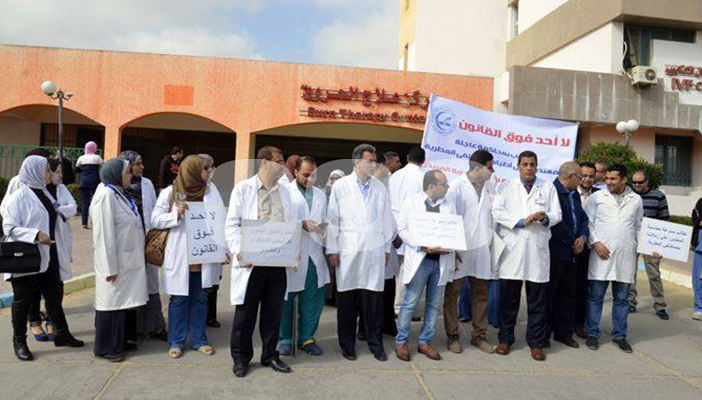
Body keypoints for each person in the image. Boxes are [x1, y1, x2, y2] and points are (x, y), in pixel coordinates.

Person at [3, 156, 84, 361]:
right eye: (47, 170)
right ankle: (19, 342)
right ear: (35, 172)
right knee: (22, 302)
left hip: (49, 254)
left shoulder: (46, 193)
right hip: (27, 257)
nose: (50, 173)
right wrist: (35, 235)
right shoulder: (18, 197)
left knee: (54, 297)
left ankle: (61, 334)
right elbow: (9, 227)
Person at [225, 146, 294, 378]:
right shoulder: (243, 189)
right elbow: (232, 224)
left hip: (277, 261)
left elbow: (290, 224)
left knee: (273, 312)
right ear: (264, 162)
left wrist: (292, 251)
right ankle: (241, 358)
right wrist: (239, 251)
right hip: (251, 262)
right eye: (279, 161)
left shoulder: (285, 191)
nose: (283, 165)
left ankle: (270, 355)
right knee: (245, 314)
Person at [326, 143, 394, 362]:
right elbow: (333, 219)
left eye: (375, 161)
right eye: (369, 161)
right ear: (356, 161)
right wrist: (332, 249)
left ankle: (375, 344)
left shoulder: (380, 187)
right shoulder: (341, 186)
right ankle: (347, 346)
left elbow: (386, 219)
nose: (373, 165)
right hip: (348, 250)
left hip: (374, 251)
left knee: (373, 301)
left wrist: (386, 248)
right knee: (347, 302)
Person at [492, 151, 562, 361]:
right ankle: (505, 340)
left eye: (532, 164)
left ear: (537, 166)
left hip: (537, 250)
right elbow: (497, 212)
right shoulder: (505, 186)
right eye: (525, 164)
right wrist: (523, 221)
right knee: (509, 301)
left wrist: (544, 217)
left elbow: (557, 214)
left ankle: (536, 343)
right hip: (513, 250)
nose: (529, 168)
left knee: (537, 302)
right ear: (518, 166)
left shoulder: (547, 186)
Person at [152, 155, 222, 359]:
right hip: (180, 254)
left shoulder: (211, 191)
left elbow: (220, 220)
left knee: (200, 298)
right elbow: (154, 219)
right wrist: (175, 215)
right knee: (179, 299)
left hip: (203, 254)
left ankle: (199, 339)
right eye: (205, 168)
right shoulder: (170, 192)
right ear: (192, 171)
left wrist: (222, 250)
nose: (209, 171)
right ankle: (176, 341)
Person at [394, 170, 456, 361]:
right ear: (431, 186)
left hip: (441, 261)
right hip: (420, 260)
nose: (447, 187)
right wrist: (421, 246)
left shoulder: (448, 204)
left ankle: (425, 342)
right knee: (409, 303)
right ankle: (401, 342)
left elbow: (454, 230)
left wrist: (452, 247)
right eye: (444, 184)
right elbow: (402, 229)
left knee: (434, 305)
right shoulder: (411, 202)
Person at [91, 158, 149, 362]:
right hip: (114, 263)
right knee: (111, 305)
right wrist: (109, 268)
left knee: (122, 304)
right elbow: (104, 236)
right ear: (116, 175)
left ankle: (120, 342)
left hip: (126, 260)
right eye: (126, 172)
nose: (130, 175)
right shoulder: (105, 196)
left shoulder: (119, 194)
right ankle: (107, 347)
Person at [583, 164, 644, 353]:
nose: (608, 182)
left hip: (625, 255)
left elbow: (638, 226)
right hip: (601, 254)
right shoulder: (597, 198)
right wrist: (595, 243)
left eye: (613, 179)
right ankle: (592, 333)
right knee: (595, 297)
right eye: (607, 178)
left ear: (623, 180)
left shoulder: (636, 199)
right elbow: (588, 223)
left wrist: (640, 248)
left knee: (622, 299)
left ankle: (620, 335)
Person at [444, 149, 497, 354]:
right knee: (453, 294)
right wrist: (453, 247)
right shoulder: (456, 187)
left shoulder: (491, 186)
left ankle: (479, 336)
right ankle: (453, 335)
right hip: (460, 250)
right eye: (490, 166)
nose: (493, 170)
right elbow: (450, 219)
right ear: (478, 168)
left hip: (482, 249)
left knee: (481, 294)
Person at [278, 156, 330, 356]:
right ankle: (285, 338)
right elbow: (278, 221)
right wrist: (301, 224)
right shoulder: (285, 192)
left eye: (314, 175)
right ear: (295, 172)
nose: (310, 179)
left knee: (312, 299)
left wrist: (324, 228)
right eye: (306, 175)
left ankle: (306, 337)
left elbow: (325, 218)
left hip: (314, 254)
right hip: (292, 254)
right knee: (287, 299)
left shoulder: (321, 195)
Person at [119, 150, 168, 341]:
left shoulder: (146, 184)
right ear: (128, 166)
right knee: (133, 285)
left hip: (146, 241)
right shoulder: (118, 188)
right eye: (138, 163)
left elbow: (153, 212)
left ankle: (156, 326)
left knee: (151, 284)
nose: (142, 167)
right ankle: (135, 330)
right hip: (128, 244)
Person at [27, 158, 77, 342]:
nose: (59, 175)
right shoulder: (28, 191)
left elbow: (72, 208)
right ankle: (34, 322)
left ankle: (54, 324)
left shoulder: (59, 190)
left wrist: (57, 209)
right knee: (35, 287)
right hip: (36, 246)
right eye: (55, 171)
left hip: (56, 244)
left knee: (55, 288)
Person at [546, 162, 588, 349]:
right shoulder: (551, 191)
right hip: (556, 250)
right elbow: (555, 221)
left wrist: (582, 237)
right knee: (549, 293)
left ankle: (564, 333)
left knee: (568, 294)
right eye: (580, 177)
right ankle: (544, 333)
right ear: (570, 177)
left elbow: (583, 218)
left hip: (572, 252)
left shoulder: (574, 194)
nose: (582, 181)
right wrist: (572, 241)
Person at [389, 147, 426, 316]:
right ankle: (400, 307)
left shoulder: (394, 176)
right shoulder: (423, 177)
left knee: (393, 269)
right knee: (407, 269)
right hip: (411, 227)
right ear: (423, 161)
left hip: (393, 226)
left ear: (407, 158)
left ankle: (392, 305)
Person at [628, 170, 670, 320]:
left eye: (640, 182)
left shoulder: (658, 196)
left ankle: (660, 305)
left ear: (647, 182)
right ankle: (630, 302)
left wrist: (662, 246)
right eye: (634, 182)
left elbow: (665, 219)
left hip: (651, 239)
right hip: (631, 238)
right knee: (630, 272)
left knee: (654, 274)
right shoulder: (628, 195)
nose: (636, 185)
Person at [198, 154, 225, 329]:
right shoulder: (189, 187)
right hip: (198, 243)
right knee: (201, 283)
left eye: (213, 166)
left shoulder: (213, 187)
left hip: (214, 242)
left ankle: (210, 317)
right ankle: (198, 319)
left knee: (213, 282)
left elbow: (221, 214)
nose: (212, 170)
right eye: (208, 167)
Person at [574, 162, 600, 338]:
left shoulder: (600, 196)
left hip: (589, 247)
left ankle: (579, 324)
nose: (587, 179)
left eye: (591, 176)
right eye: (583, 175)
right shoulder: (569, 192)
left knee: (583, 288)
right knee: (564, 287)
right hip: (569, 246)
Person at [324, 169, 346, 306]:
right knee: (328, 268)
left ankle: (337, 297)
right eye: (332, 178)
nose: (334, 181)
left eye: (337, 178)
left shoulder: (345, 195)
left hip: (340, 235)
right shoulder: (323, 194)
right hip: (324, 235)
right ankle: (328, 297)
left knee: (339, 267)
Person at [74, 141, 104, 229]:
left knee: (85, 203)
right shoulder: (97, 158)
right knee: (96, 202)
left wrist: (84, 170)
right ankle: (94, 221)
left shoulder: (81, 158)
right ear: (95, 148)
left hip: (84, 182)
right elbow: (103, 167)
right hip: (95, 182)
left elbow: (76, 170)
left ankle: (84, 223)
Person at [691, 197, 702, 321]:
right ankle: (699, 308)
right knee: (698, 279)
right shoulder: (701, 202)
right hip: (700, 247)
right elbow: (696, 220)